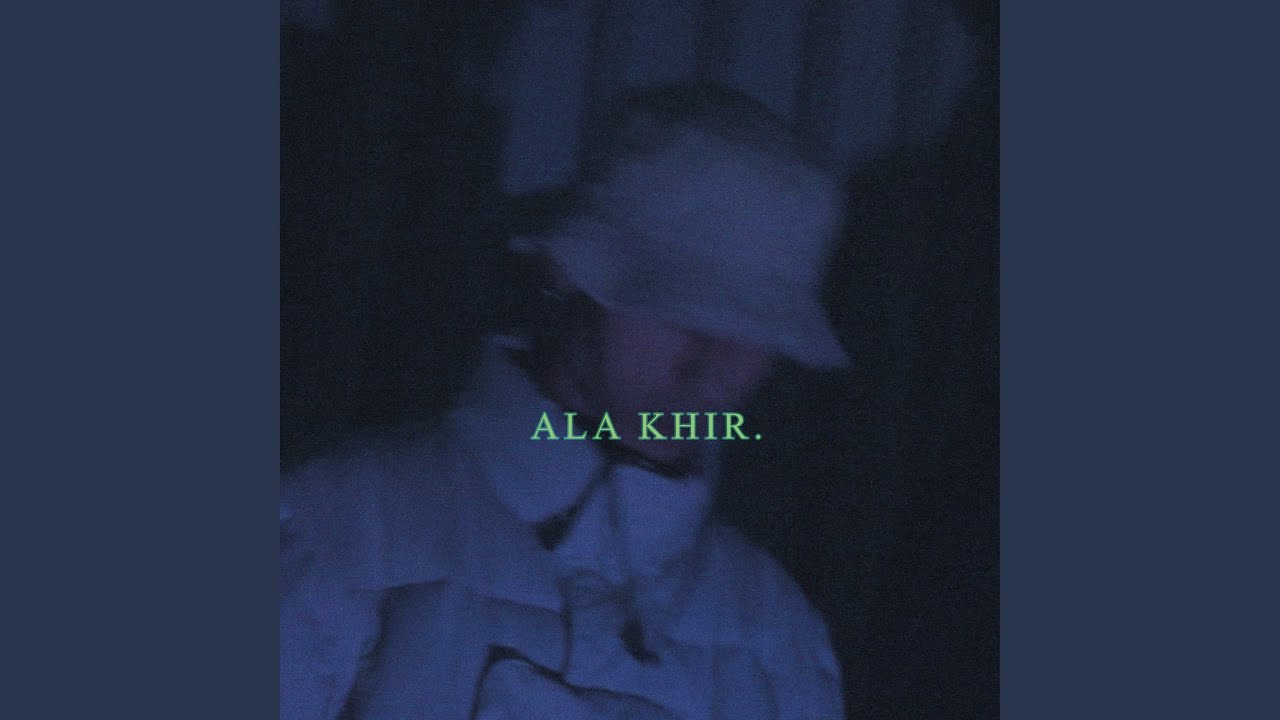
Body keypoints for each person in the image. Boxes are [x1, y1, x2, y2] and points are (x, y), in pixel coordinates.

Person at [280, 82, 850, 720]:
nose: (715, 361)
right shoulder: (340, 537)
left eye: (758, 329)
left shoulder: (777, 637)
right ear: (568, 271)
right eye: (680, 311)